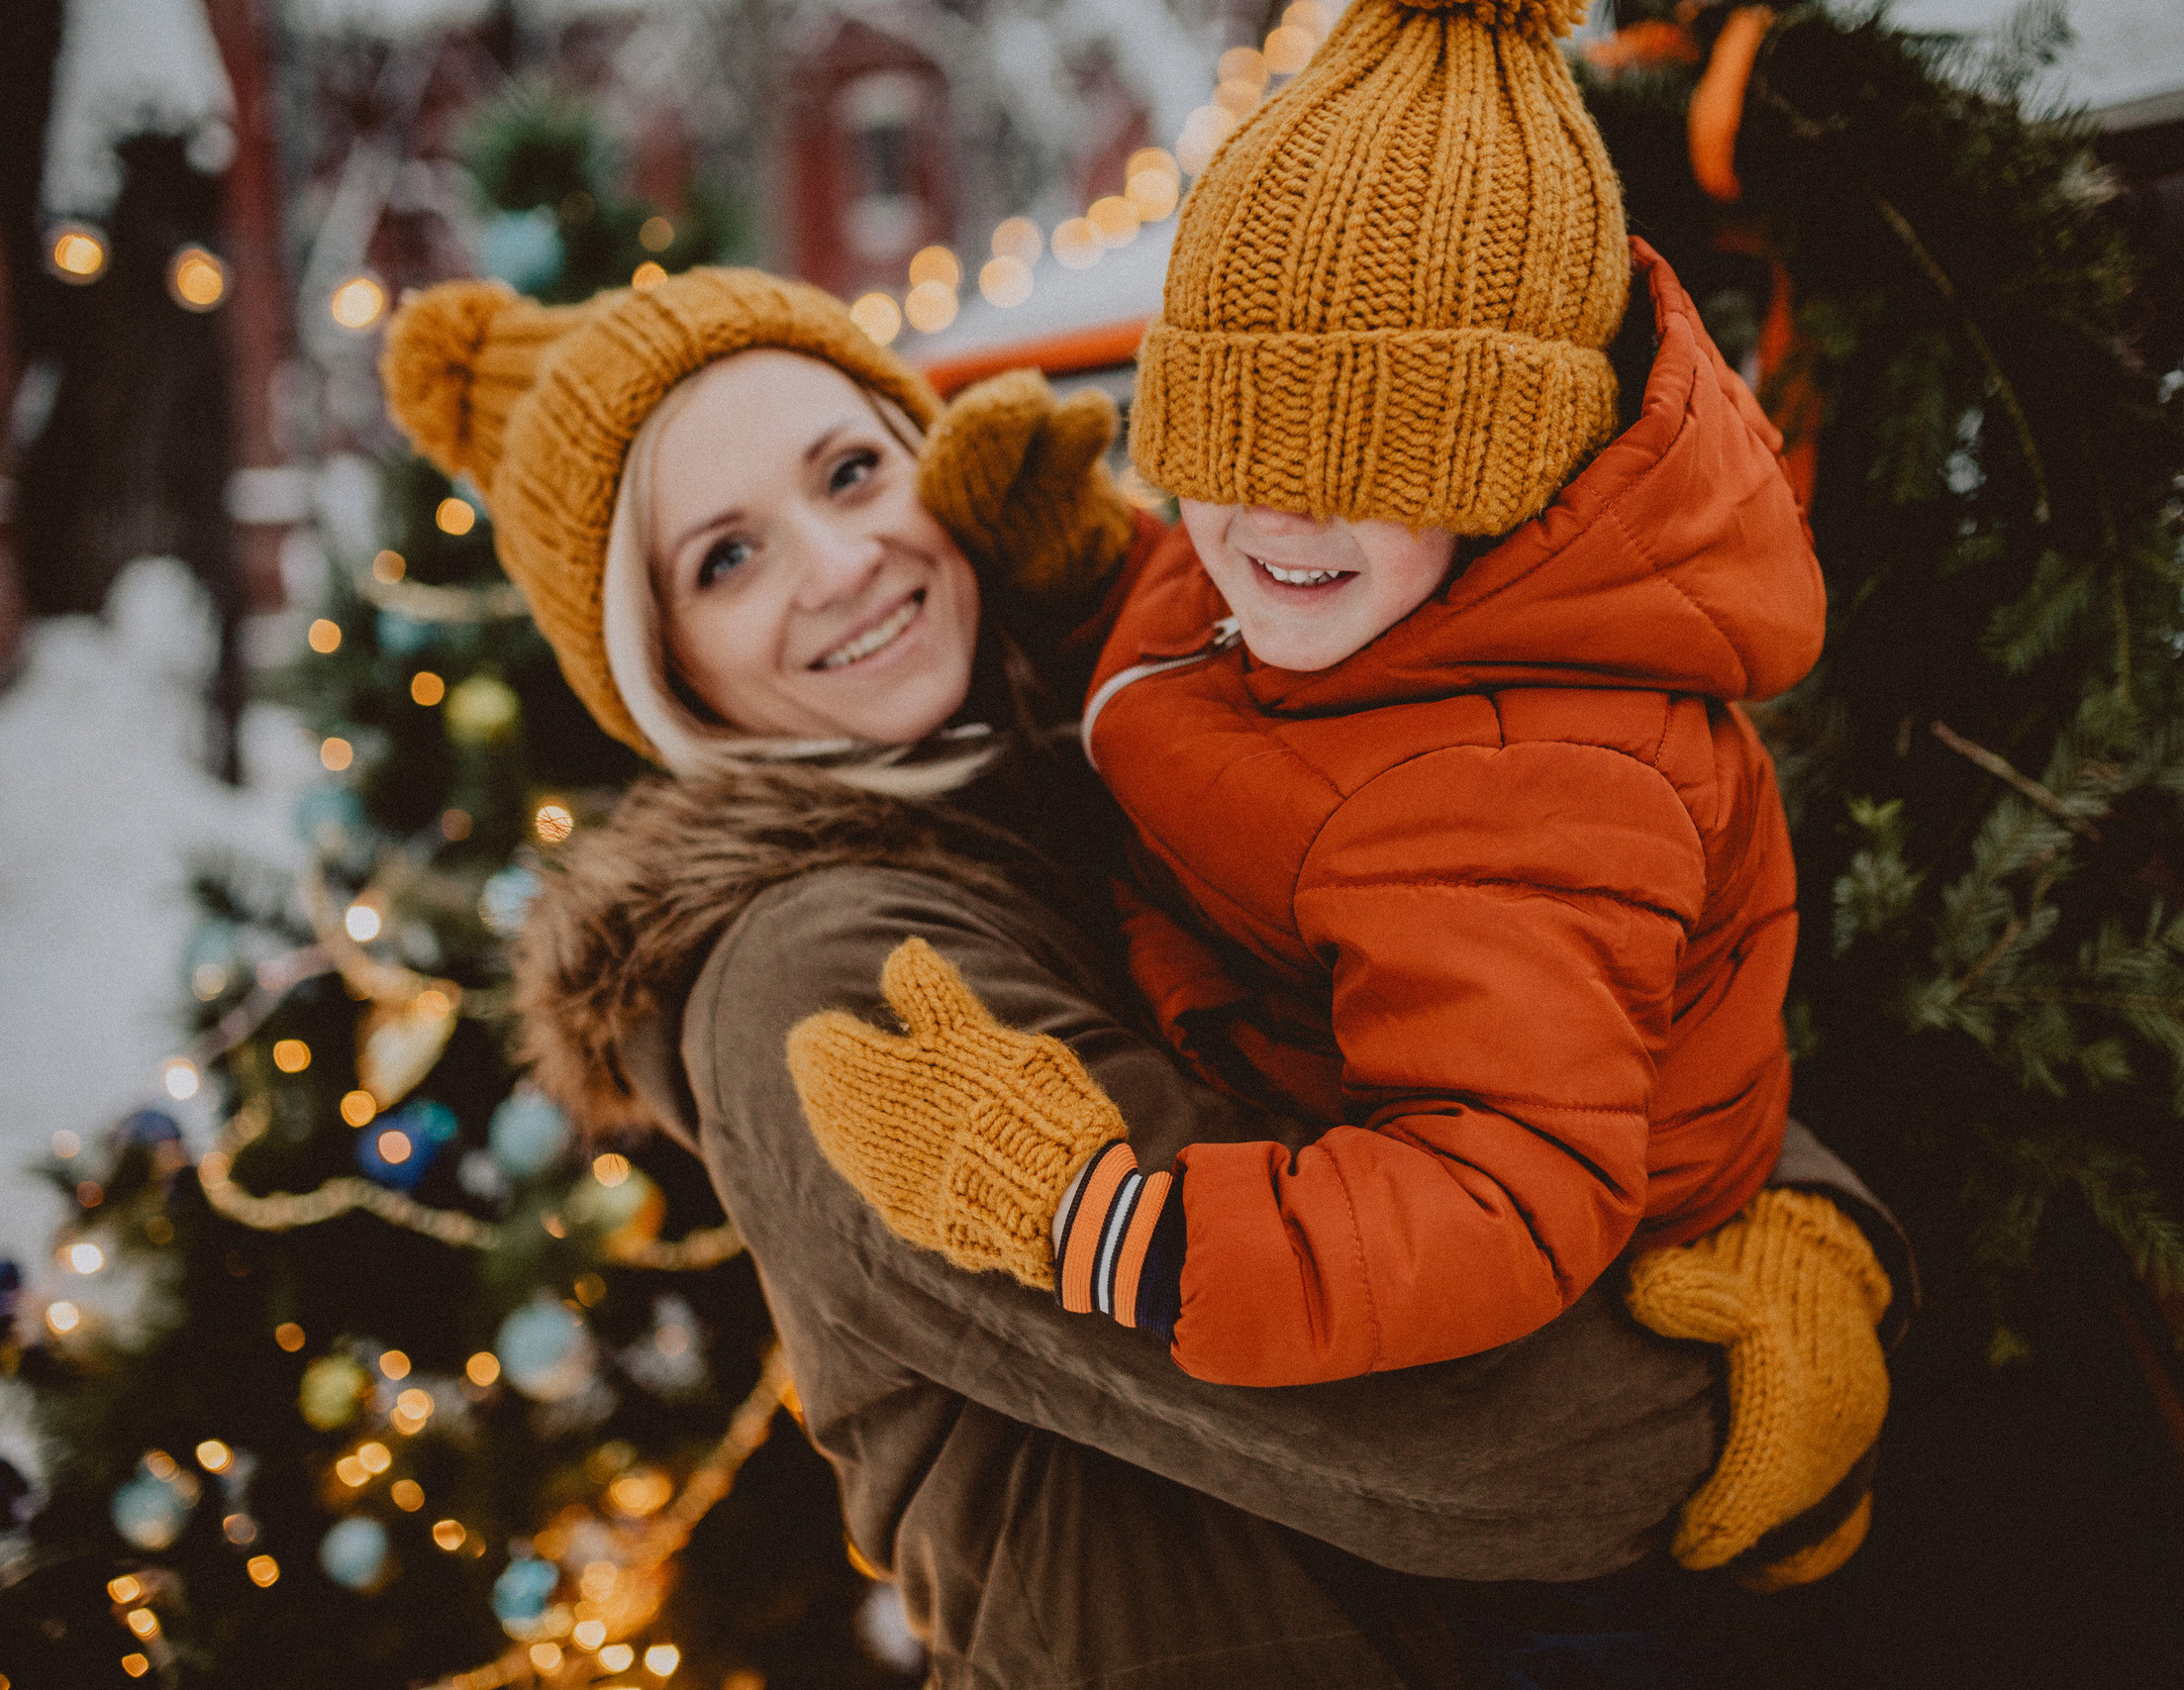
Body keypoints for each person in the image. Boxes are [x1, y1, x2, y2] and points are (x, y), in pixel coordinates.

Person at [380, 265, 1908, 1686]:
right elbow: (1464, 1439)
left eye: (850, 470)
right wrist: (1734, 1390)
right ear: (671, 677)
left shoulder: (1120, 734)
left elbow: (1576, 932)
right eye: (726, 560)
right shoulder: (824, 984)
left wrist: (1801, 1224)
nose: (844, 562)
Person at [783, 0, 1895, 1593]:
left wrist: (1102, 1221)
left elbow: (1499, 1198)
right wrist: (1071, 569)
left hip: (1553, 1273)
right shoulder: (1323, 585)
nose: (1276, 512)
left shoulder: (1534, 799)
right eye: (1226, 444)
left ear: (1513, 471)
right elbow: (1207, 638)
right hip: (1311, 1055)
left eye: (1371, 461)